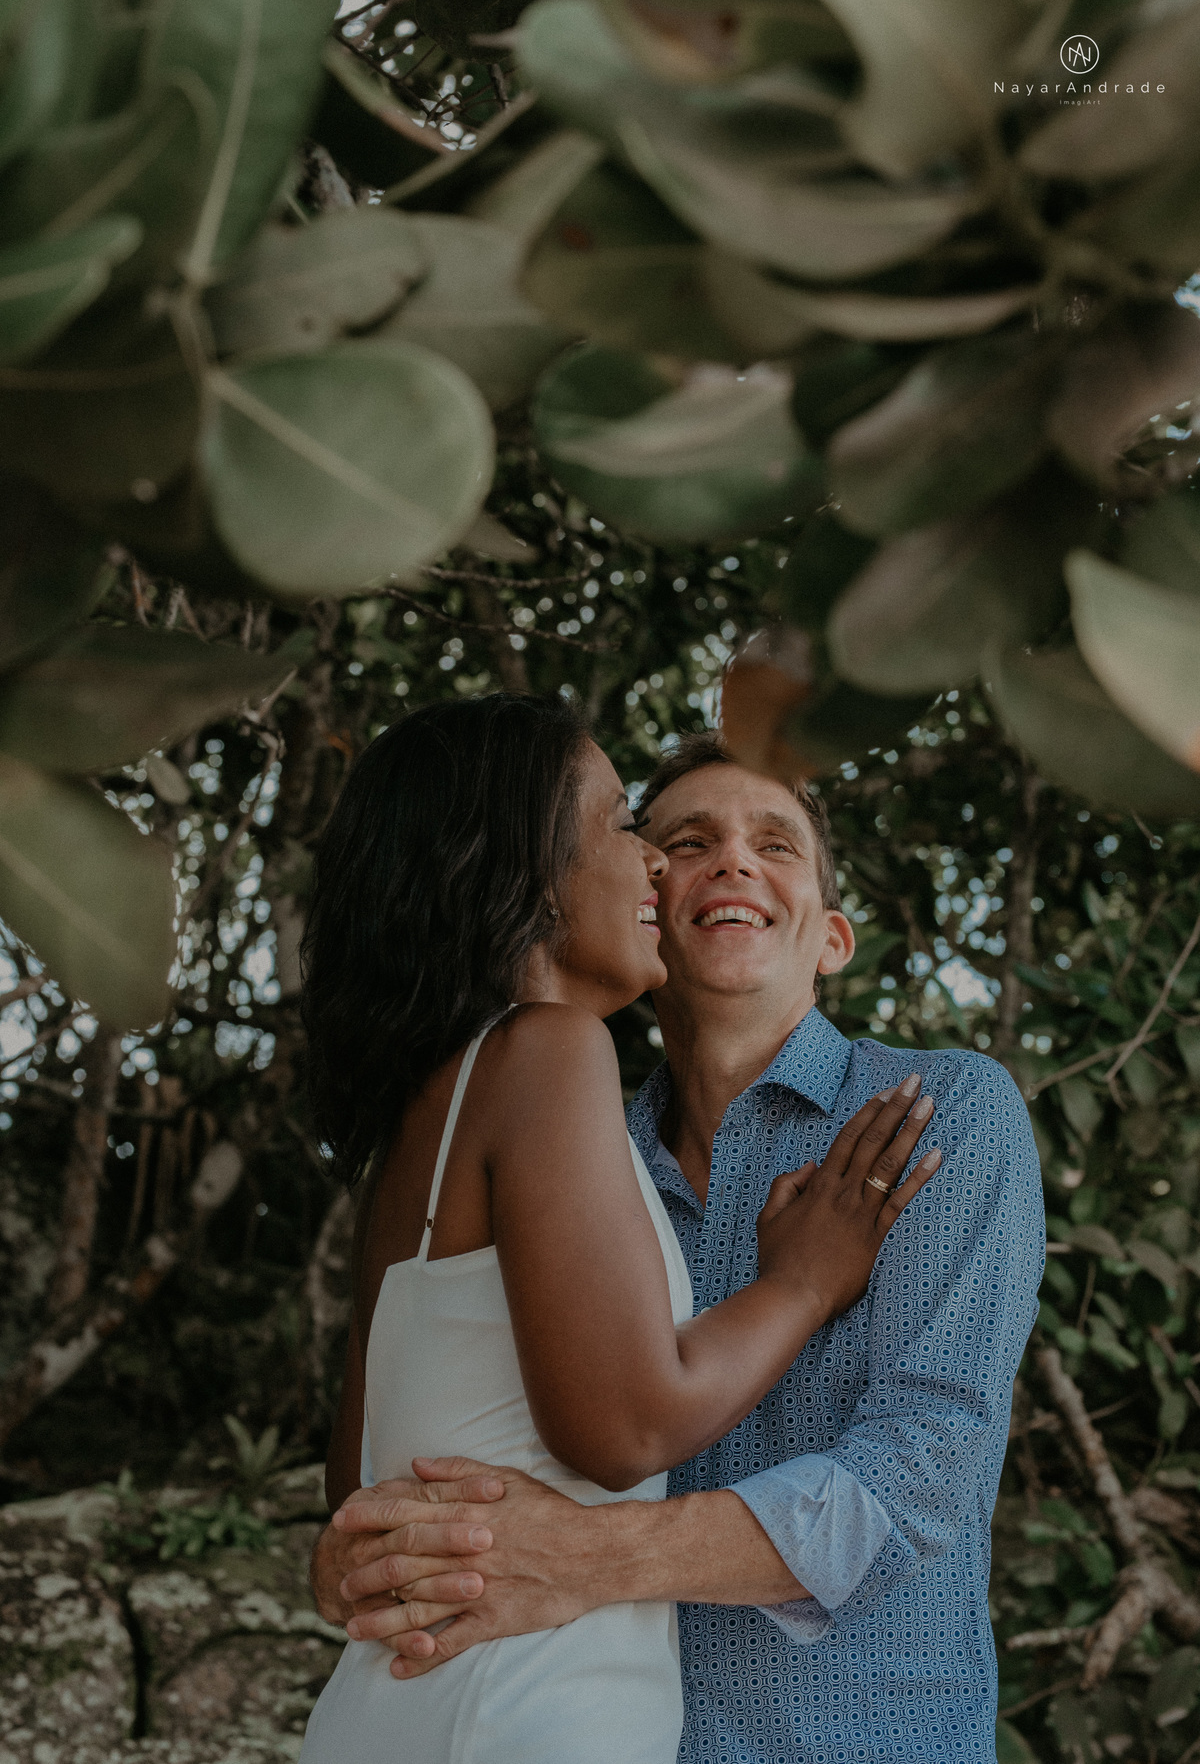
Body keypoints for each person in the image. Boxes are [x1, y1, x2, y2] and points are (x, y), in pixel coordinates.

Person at [311, 731, 1046, 1764]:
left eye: (776, 844)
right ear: (645, 899)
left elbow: (918, 1476)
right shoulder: (557, 1147)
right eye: (681, 839)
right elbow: (382, 1480)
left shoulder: (937, 1116)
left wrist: (589, 1558)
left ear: (832, 937)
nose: (728, 861)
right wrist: (354, 1555)